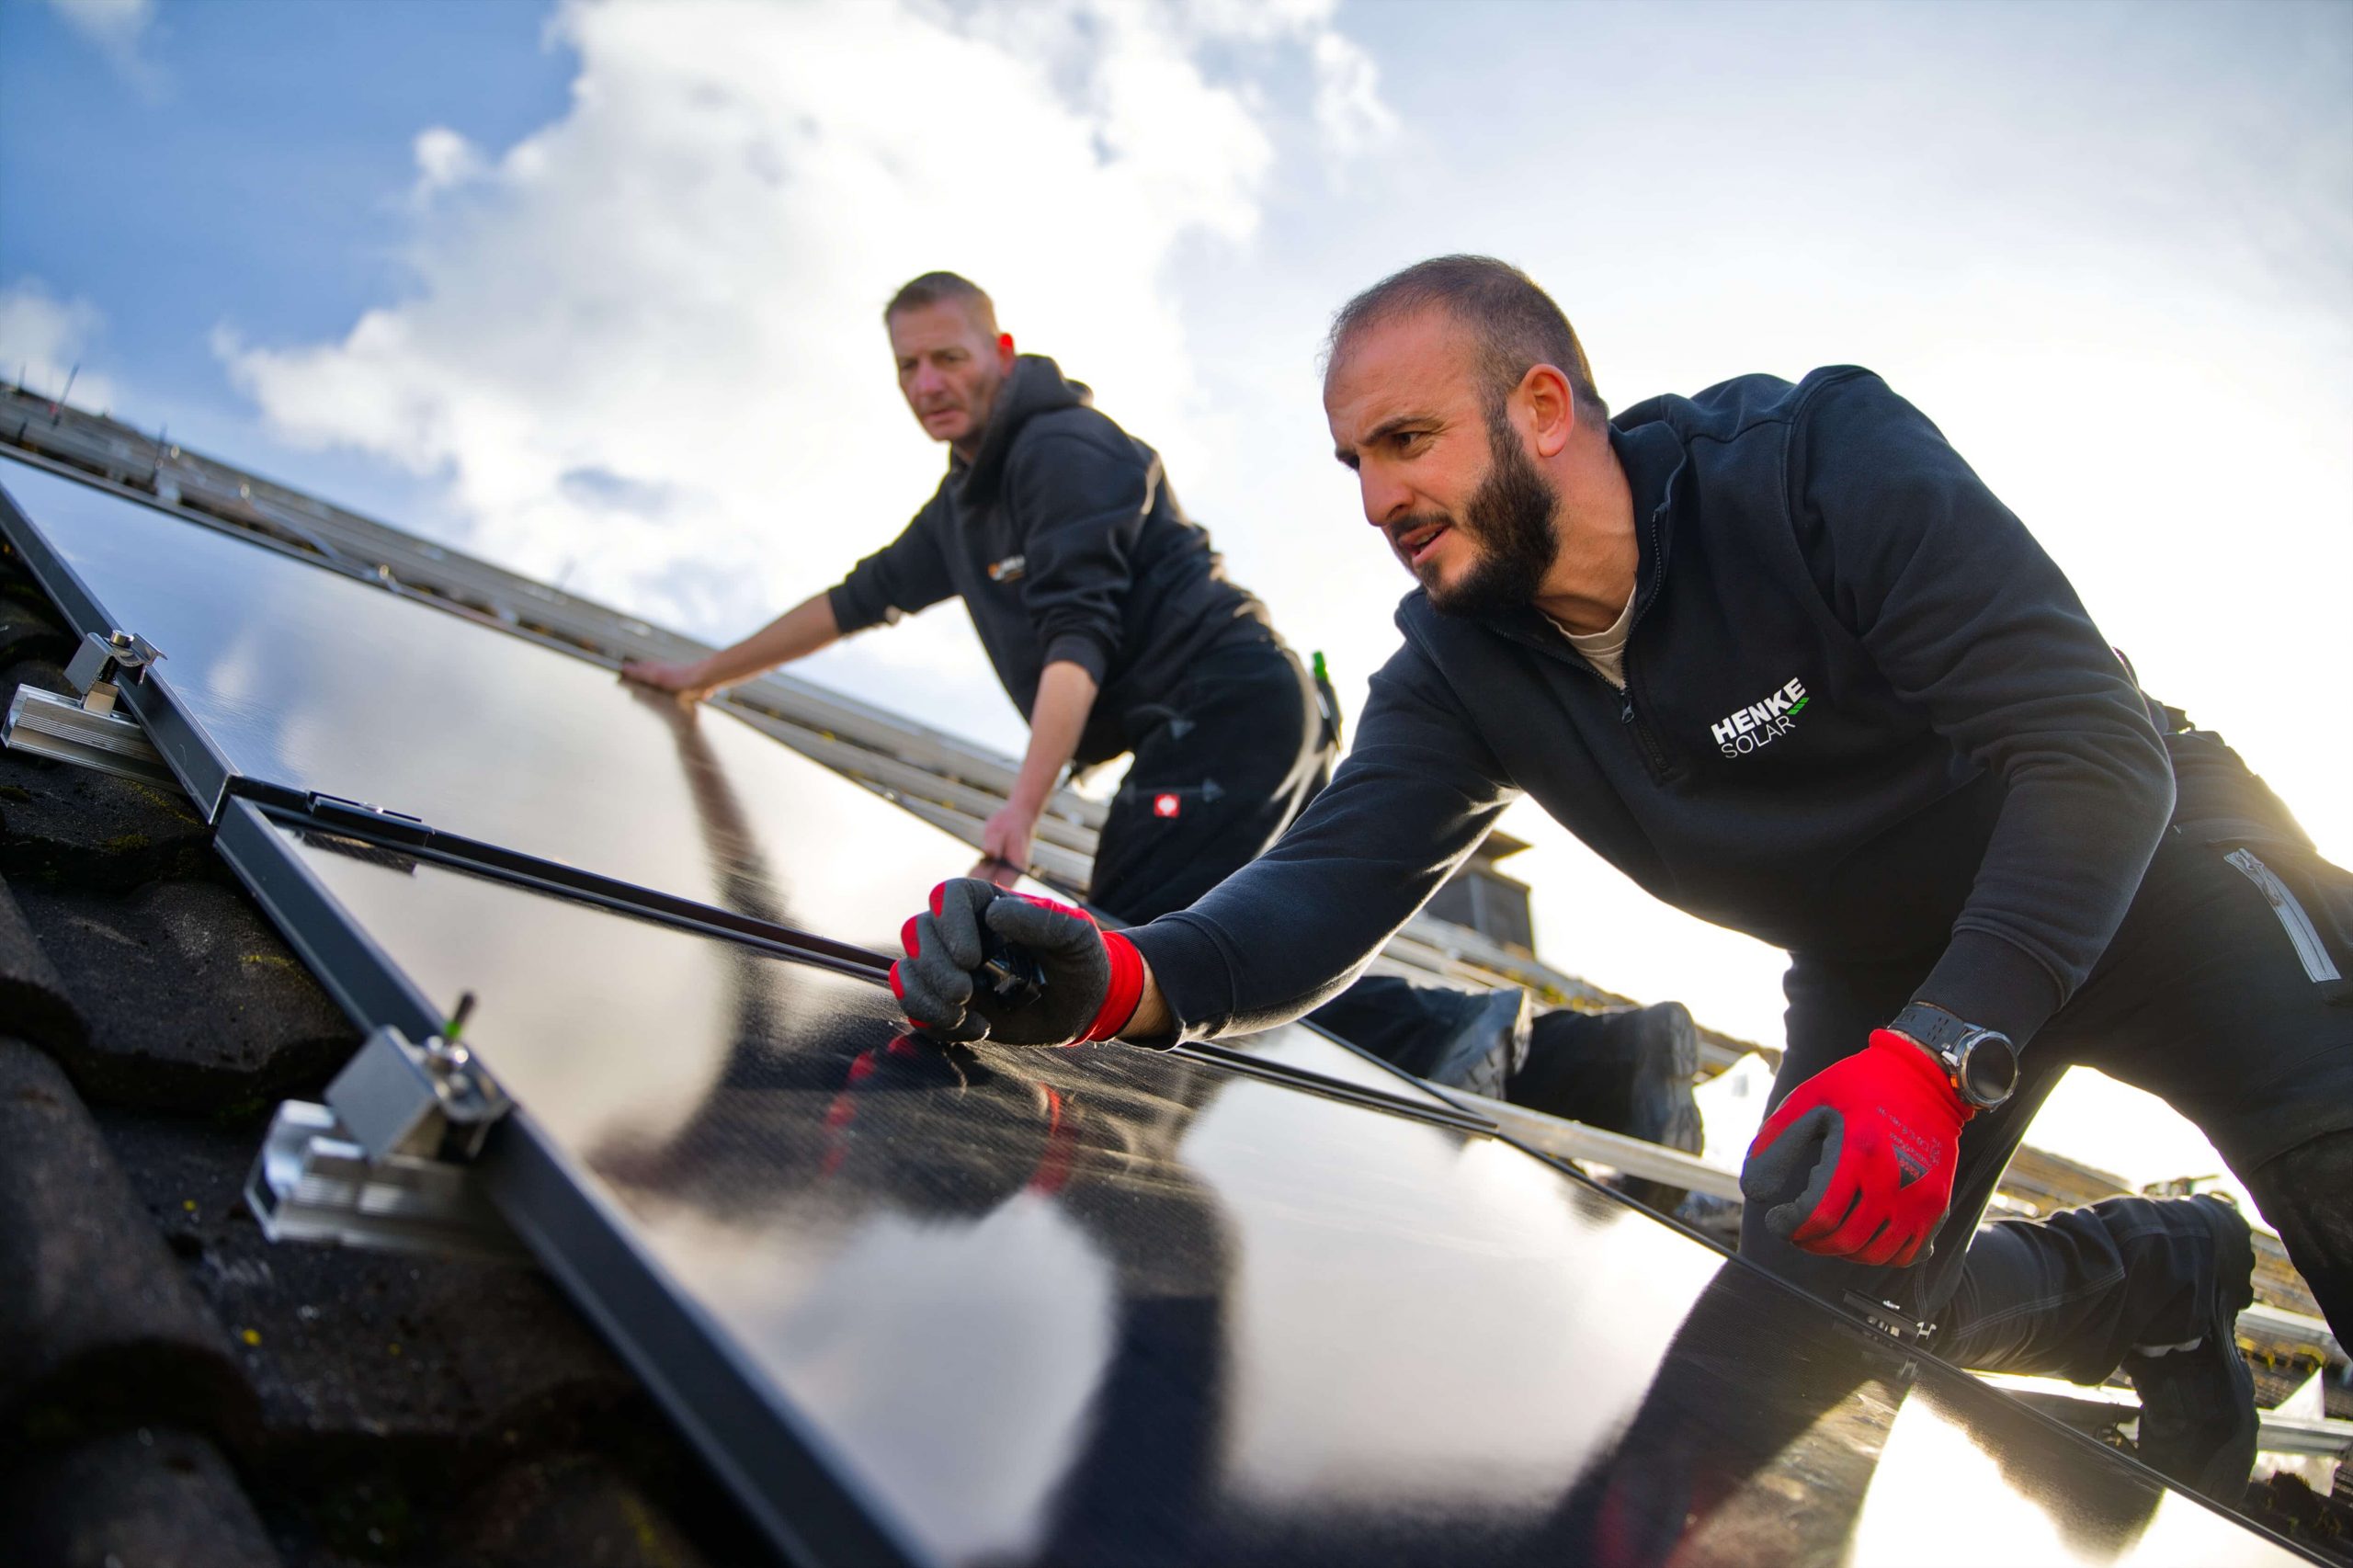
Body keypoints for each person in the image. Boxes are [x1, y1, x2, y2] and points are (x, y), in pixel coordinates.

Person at [890, 255, 2353, 1499]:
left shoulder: (1809, 461)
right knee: (1804, 1333)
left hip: (2152, 864)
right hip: (1876, 975)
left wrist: (1939, 1051)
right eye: (1356, 463)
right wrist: (1122, 972)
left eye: (1408, 441)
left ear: (1542, 409)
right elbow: (1317, 889)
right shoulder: (1462, 667)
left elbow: (2089, 749)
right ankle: (2158, 1273)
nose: (1376, 500)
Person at [620, 269, 1704, 1168]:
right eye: (907, 366)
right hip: (1200, 732)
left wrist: (1021, 807)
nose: (928, 382)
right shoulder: (962, 507)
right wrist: (707, 673)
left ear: (996, 347)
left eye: (947, 356)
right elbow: (856, 598)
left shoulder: (1061, 448)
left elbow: (1075, 635)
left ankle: (1467, 1038)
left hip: (1229, 709)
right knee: (1184, 952)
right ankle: (1590, 1060)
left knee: (1123, 958)